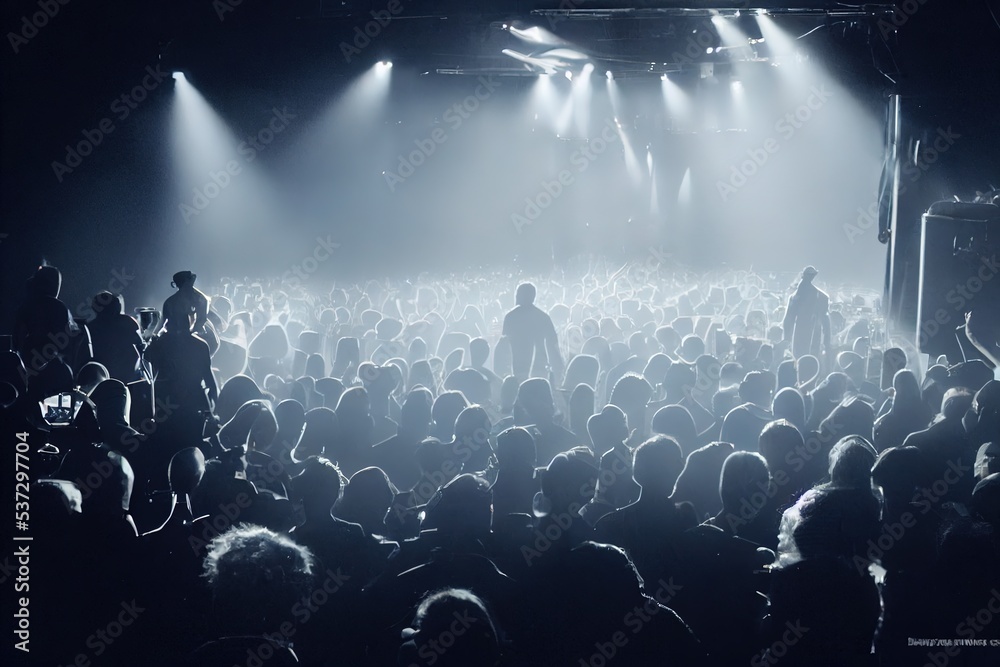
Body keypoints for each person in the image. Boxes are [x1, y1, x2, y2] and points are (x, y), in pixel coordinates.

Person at [502, 282, 564, 382]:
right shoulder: (543, 317)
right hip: (539, 367)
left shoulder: (510, 317)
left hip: (516, 367)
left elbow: (504, 343)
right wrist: (558, 368)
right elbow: (553, 345)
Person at [782, 266, 831, 361]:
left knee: (806, 357)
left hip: (811, 334)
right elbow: (788, 319)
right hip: (802, 333)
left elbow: (788, 319)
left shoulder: (820, 297)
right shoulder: (821, 297)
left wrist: (826, 343)